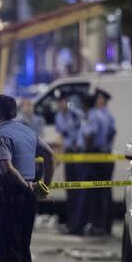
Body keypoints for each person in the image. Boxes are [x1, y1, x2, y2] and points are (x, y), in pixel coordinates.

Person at [0, 94, 55, 262]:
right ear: (14, 112)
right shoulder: (27, 131)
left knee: (7, 249)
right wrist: (44, 186)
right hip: (29, 198)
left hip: (10, 197)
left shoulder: (0, 136)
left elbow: (6, 168)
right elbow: (50, 155)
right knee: (23, 247)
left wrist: (24, 186)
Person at [79, 87, 117, 236]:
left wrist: (87, 151)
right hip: (106, 155)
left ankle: (96, 225)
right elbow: (112, 132)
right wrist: (104, 146)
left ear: (101, 100)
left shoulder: (94, 115)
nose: (96, 100)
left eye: (98, 98)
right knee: (105, 192)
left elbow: (90, 134)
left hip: (95, 156)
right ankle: (105, 225)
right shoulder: (109, 116)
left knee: (94, 193)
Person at [54, 93, 87, 235]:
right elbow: (62, 134)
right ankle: (72, 224)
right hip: (68, 152)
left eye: (64, 102)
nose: (62, 105)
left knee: (80, 191)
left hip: (78, 153)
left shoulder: (77, 114)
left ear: (67, 102)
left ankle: (78, 225)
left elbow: (83, 129)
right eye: (59, 103)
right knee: (70, 190)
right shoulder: (59, 117)